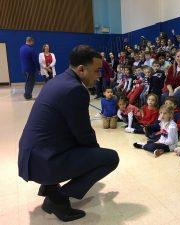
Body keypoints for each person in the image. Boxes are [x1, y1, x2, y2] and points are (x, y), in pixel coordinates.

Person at [18, 45, 119, 222]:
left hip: (32, 155)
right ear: (81, 69)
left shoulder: (57, 81)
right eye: (96, 71)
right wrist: (95, 155)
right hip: (43, 160)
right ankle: (58, 198)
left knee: (83, 149)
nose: (99, 76)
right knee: (110, 158)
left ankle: (50, 188)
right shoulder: (76, 90)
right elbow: (83, 133)